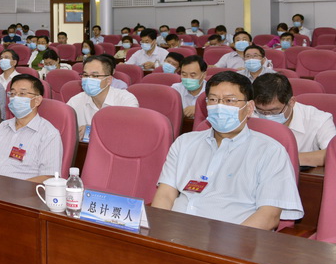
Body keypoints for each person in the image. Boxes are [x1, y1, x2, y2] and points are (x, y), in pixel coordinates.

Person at [152, 71, 303, 230]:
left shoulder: (271, 152)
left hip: (232, 240)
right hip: (173, 233)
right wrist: (157, 230)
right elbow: (165, 195)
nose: (220, 106)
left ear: (249, 108)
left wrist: (225, 243)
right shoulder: (184, 143)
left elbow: (269, 216)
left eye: (229, 100)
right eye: (213, 100)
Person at [0, 75, 62, 183]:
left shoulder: (49, 134)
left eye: (22, 93)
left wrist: (13, 189)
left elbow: (48, 177)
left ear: (37, 100)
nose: (15, 98)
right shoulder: (3, 126)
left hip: (21, 191)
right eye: (12, 93)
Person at [252, 73, 336, 167]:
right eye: (261, 111)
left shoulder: (319, 119)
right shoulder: (250, 115)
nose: (267, 116)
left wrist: (283, 158)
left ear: (291, 102)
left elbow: (333, 153)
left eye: (274, 111)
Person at [66, 56, 138, 139]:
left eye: (95, 76)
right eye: (85, 75)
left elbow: (127, 132)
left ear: (108, 80)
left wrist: (91, 130)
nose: (88, 79)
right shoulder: (75, 101)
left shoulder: (126, 100)